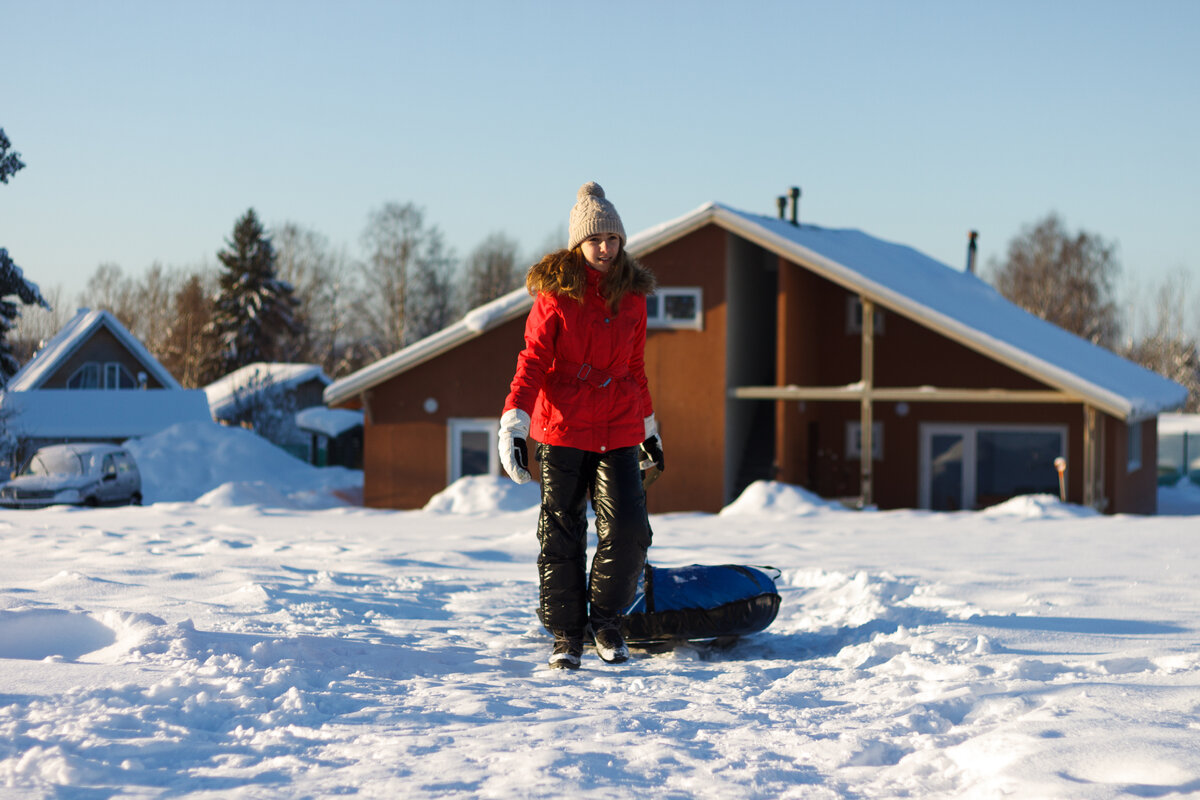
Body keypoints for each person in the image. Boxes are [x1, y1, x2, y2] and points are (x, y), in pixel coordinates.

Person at [498, 182, 665, 670]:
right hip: (562, 427)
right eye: (596, 240)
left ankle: (606, 623)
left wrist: (650, 426)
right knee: (561, 532)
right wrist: (515, 421)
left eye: (613, 239)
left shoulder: (633, 298)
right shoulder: (555, 298)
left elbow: (634, 367)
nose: (606, 248)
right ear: (579, 244)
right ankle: (567, 635)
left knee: (630, 529)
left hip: (618, 426)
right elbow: (531, 363)